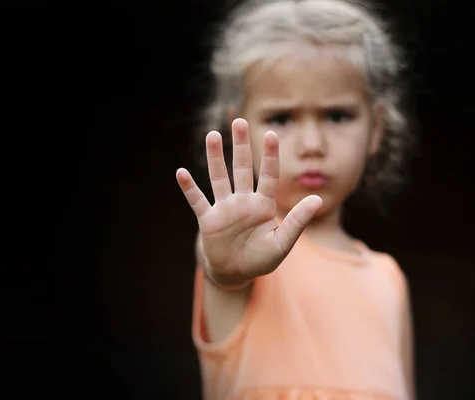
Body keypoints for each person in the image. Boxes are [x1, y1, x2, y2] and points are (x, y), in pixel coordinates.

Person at [175, 0, 416, 399]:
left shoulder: (389, 280)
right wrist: (223, 262)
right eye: (281, 118)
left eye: (337, 115)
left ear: (376, 128)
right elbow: (226, 270)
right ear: (240, 129)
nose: (312, 145)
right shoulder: (246, 257)